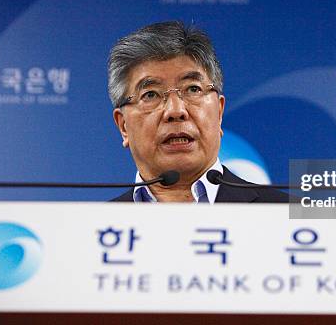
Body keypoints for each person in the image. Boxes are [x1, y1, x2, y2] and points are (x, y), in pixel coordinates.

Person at [107, 21, 289, 203]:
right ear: (123, 126)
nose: (175, 111)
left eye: (193, 89)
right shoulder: (91, 228)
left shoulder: (293, 219)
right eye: (151, 94)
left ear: (218, 112)